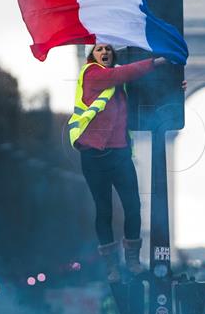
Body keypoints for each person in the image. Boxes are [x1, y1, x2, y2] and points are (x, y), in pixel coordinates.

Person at [69, 43, 179, 282]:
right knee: (105, 209)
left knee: (133, 207)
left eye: (108, 49)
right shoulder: (92, 74)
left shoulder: (119, 85)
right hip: (94, 153)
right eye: (99, 49)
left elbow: (143, 94)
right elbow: (123, 73)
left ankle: (132, 261)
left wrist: (175, 91)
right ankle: (112, 266)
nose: (105, 52)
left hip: (119, 153)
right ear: (91, 56)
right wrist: (157, 61)